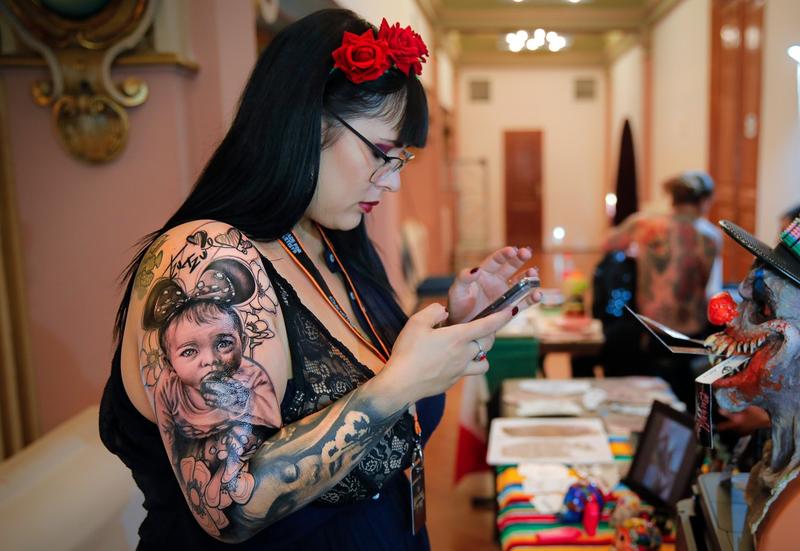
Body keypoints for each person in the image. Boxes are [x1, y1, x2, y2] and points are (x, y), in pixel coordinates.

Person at [99, 9, 539, 549]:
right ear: (305, 120)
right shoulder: (203, 262)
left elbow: (373, 373)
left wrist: (453, 325)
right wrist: (400, 384)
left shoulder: (327, 240)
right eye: (382, 154)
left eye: (402, 159)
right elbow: (228, 505)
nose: (393, 182)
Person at [603, 172, 722, 409]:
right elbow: (710, 286)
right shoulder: (711, 236)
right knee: (686, 401)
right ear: (704, 200)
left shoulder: (644, 224)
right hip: (692, 330)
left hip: (652, 327)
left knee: (649, 399)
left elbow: (608, 244)